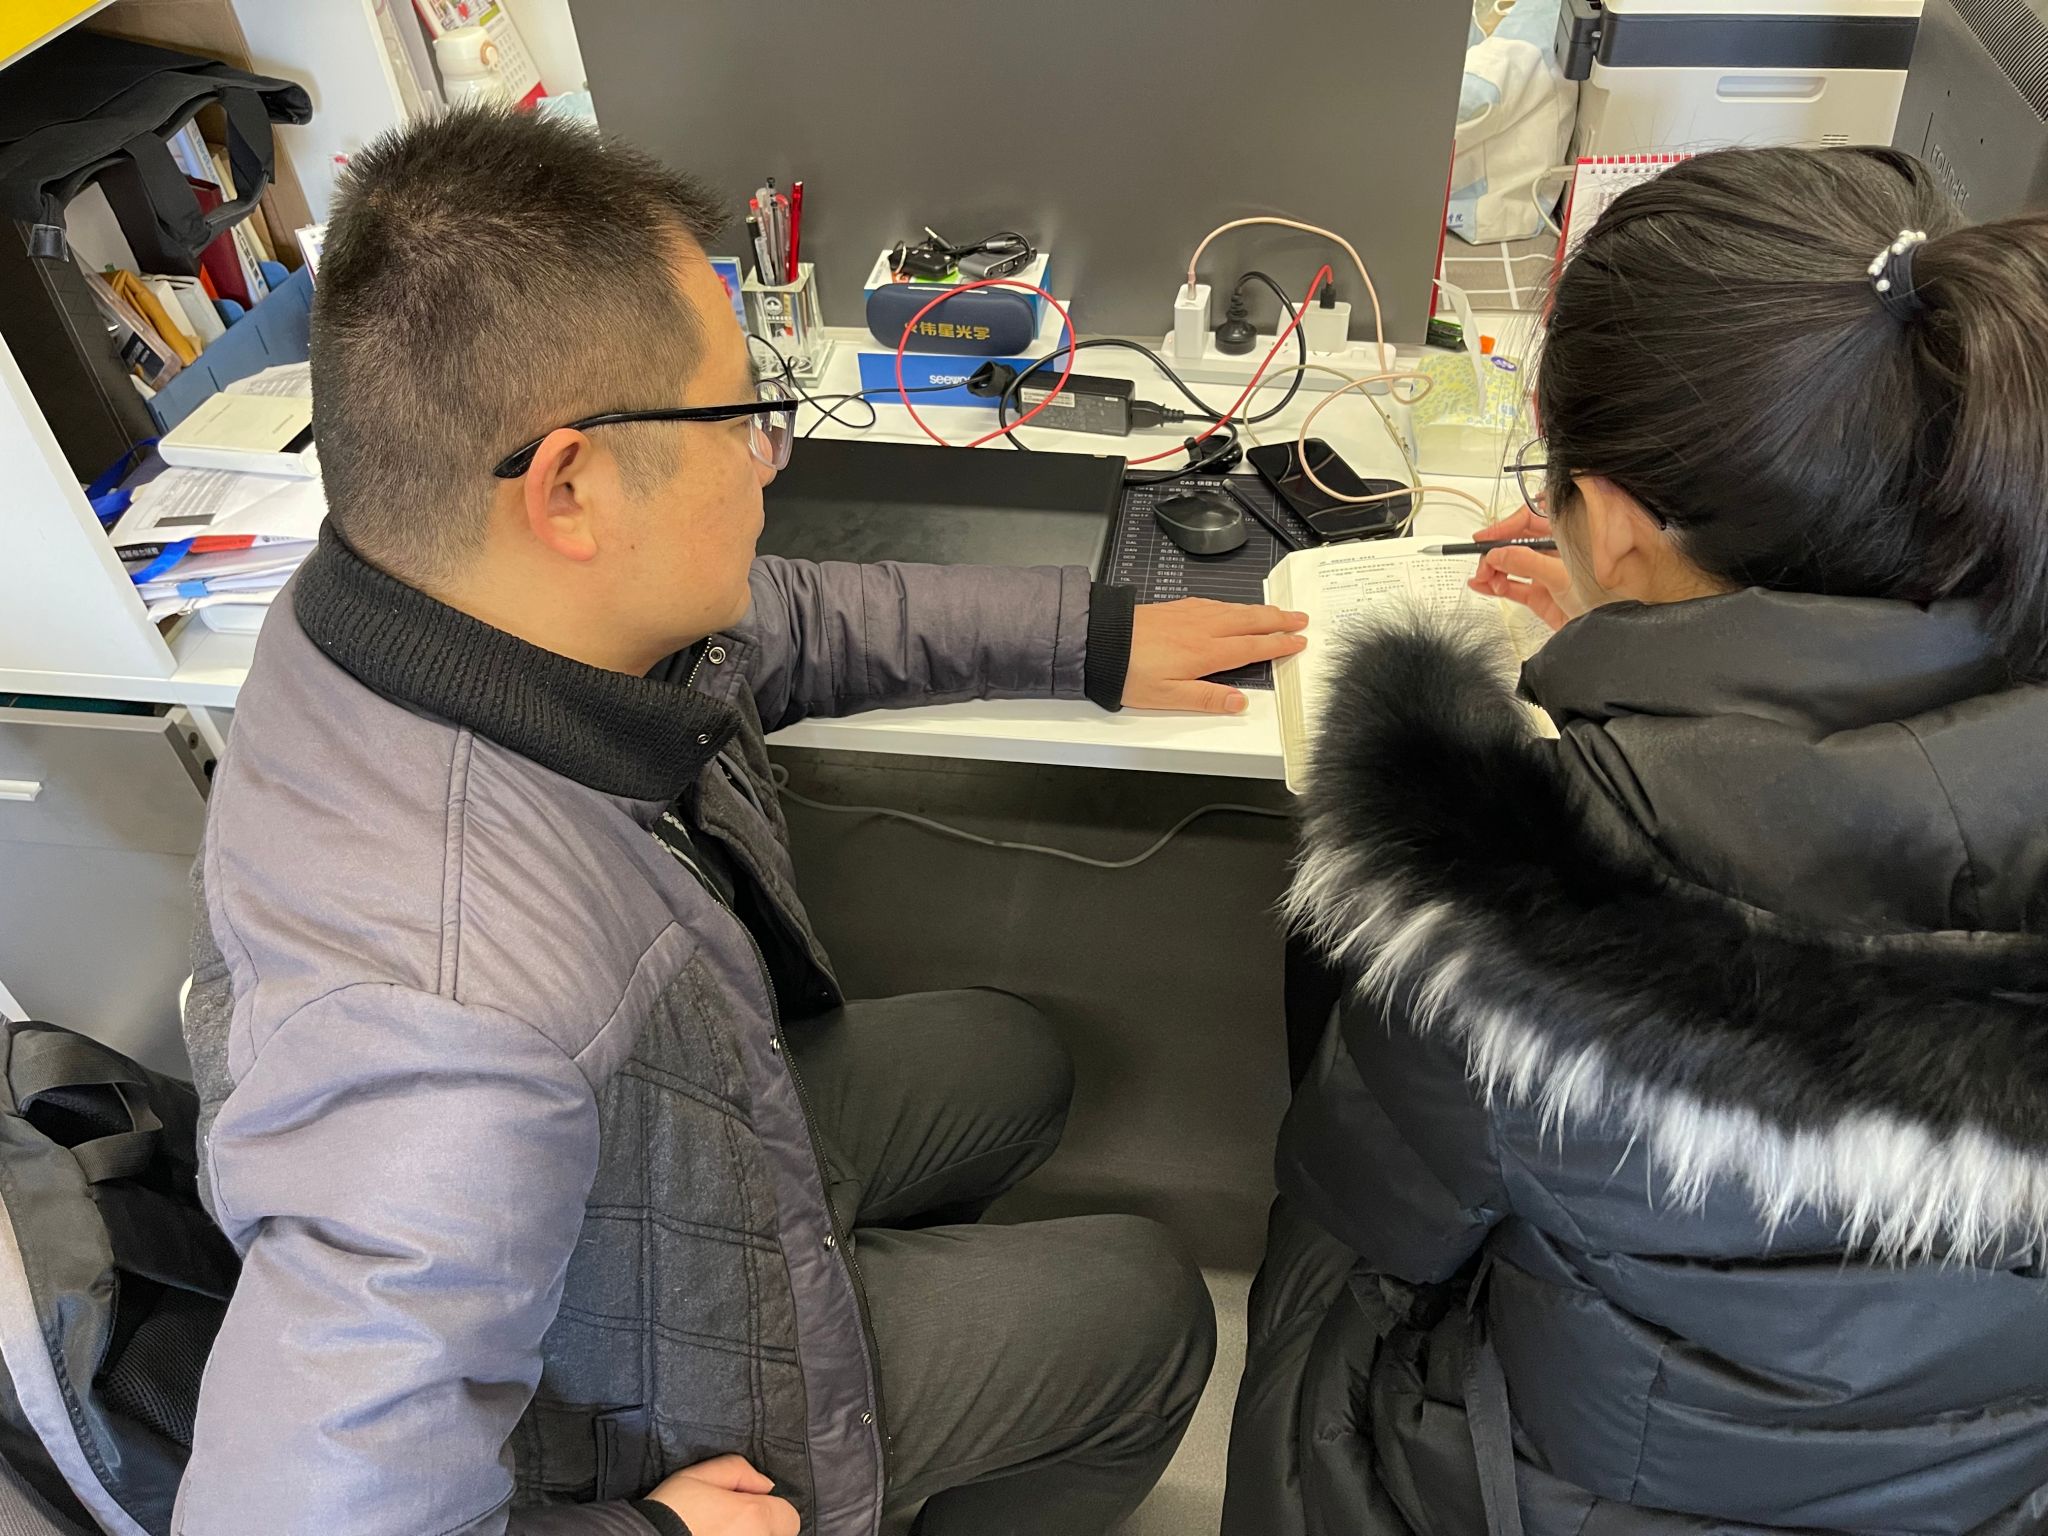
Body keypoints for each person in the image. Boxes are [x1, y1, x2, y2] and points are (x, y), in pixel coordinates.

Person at [176, 106, 1314, 1536]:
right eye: (738, 421)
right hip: (641, 1405)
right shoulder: (448, 1028)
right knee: (1145, 1312)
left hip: (642, 1190)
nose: (773, 459)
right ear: (572, 487)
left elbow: (794, 620)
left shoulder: (414, 594)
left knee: (1013, 1058)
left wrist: (1093, 639)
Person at [1224, 145, 2048, 1535]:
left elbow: (1362, 1235)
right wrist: (1663, 645)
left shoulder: (1522, 900)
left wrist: (1633, 667)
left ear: (1611, 523)